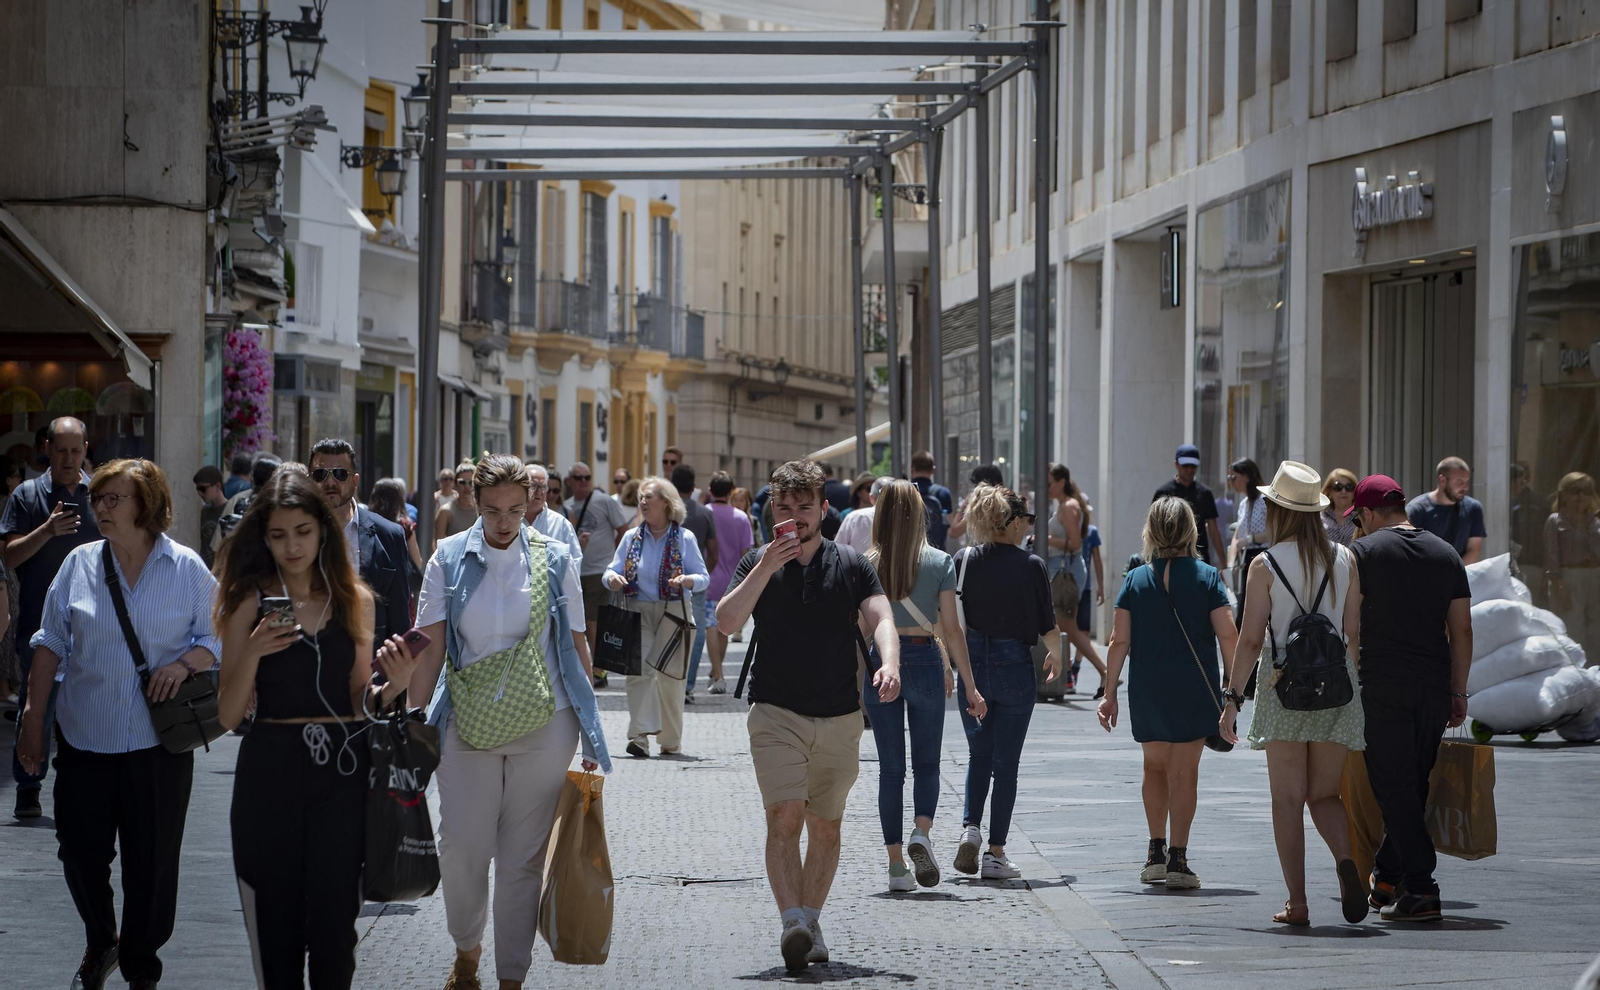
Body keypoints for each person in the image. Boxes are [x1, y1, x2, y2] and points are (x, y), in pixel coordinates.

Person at [406, 454, 610, 990]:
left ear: (532, 505)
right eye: (493, 509)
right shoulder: (447, 559)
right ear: (473, 500)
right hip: (466, 720)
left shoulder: (556, 556)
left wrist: (592, 729)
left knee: (522, 861)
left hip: (546, 722)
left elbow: (575, 644)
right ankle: (467, 950)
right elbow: (428, 651)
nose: (503, 522)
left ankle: (510, 979)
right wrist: (413, 729)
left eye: (516, 511)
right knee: (462, 850)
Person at [16, 459, 219, 990]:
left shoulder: (187, 569)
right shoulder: (78, 565)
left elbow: (217, 639)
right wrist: (32, 720)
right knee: (80, 855)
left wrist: (183, 664)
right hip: (85, 741)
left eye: (113, 499)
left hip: (159, 747)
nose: (99, 508)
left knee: (151, 867)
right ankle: (102, 937)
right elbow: (49, 643)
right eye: (98, 499)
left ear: (147, 506)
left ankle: (140, 967)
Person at [213, 471, 414, 988]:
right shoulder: (246, 601)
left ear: (323, 530)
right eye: (278, 535)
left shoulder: (355, 600)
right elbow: (229, 715)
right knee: (276, 937)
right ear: (263, 537)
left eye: (302, 531)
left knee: (334, 933)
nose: (292, 545)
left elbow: (358, 700)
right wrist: (253, 652)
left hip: (341, 780)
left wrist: (394, 685)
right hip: (269, 771)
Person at [715, 460, 899, 972]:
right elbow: (727, 620)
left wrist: (889, 663)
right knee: (784, 816)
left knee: (825, 826)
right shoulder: (757, 560)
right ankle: (792, 920)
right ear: (773, 509)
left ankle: (810, 920)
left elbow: (881, 616)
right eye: (784, 507)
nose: (794, 518)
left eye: (804, 508)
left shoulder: (850, 562)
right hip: (775, 710)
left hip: (840, 714)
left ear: (823, 508)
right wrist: (767, 567)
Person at [1219, 461, 1366, 927]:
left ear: (1279, 511)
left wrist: (1231, 698)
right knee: (1325, 795)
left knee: (1287, 799)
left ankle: (1298, 903)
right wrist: (1350, 679)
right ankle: (1346, 861)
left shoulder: (1264, 564)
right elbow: (1353, 633)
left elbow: (1248, 638)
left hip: (1282, 684)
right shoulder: (1346, 559)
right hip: (1337, 685)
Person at [1341, 473, 1472, 923]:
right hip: (1434, 687)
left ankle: (1421, 887)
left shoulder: (1361, 553)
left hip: (1382, 686)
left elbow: (1350, 628)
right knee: (1411, 786)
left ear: (1371, 513)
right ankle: (1387, 875)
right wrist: (1458, 690)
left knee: (1394, 788)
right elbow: (1462, 630)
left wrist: (1353, 684)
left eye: (1359, 516)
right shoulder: (1447, 553)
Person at [1097, 498, 1237, 890]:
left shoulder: (1135, 579)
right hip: (1194, 686)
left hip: (1149, 686)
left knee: (1153, 767)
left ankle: (1154, 853)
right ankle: (1178, 859)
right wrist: (1233, 692)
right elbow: (1229, 635)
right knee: (1184, 772)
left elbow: (1117, 640)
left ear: (1151, 531)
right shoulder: (1208, 577)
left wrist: (1109, 693)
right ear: (1191, 530)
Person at [861, 480, 986, 892]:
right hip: (926, 661)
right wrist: (970, 685)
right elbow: (952, 630)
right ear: (920, 516)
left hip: (883, 664)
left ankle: (897, 867)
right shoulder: (939, 562)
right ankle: (922, 834)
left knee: (890, 769)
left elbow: (862, 629)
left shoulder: (867, 563)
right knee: (927, 764)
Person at [949, 483, 1062, 882]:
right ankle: (996, 853)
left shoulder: (963, 559)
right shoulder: (1030, 565)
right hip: (1014, 664)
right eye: (1027, 520)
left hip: (973, 666)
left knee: (979, 752)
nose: (1028, 527)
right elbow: (1048, 625)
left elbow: (949, 620)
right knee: (1006, 764)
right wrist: (1057, 654)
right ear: (1012, 523)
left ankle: (970, 829)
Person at [2, 416, 101, 818]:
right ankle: (29, 783)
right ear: (47, 447)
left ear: (86, 448)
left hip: (94, 625)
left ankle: (80, 785)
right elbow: (9, 556)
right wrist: (46, 530)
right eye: (61, 450)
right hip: (39, 625)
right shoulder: (27, 495)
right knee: (35, 707)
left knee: (88, 709)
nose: (69, 458)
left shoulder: (101, 495)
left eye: (76, 451)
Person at [603, 478, 710, 756]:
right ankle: (639, 736)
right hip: (637, 609)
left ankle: (670, 740)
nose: (643, 502)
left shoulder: (684, 538)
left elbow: (703, 578)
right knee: (638, 674)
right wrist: (612, 578)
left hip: (673, 613)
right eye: (641, 498)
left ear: (667, 502)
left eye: (649, 497)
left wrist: (687, 580)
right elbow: (610, 570)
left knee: (670, 678)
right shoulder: (631, 537)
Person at [309, 438, 412, 649]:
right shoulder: (295, 534)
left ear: (355, 482)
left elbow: (399, 621)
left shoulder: (389, 535)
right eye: (320, 474)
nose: (330, 483)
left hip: (370, 672)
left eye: (339, 474)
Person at [564, 461, 632, 686]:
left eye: (587, 477)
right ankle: (587, 667)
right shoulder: (567, 506)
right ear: (570, 481)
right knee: (578, 623)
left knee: (594, 623)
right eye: (578, 477)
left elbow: (622, 529)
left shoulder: (603, 501)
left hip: (597, 570)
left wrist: (614, 559)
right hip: (574, 572)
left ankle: (599, 670)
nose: (583, 482)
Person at [1045, 465, 1109, 697]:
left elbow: (1075, 544)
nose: (1046, 488)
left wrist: (1046, 538)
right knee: (1066, 627)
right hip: (1064, 572)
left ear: (1061, 482)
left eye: (1049, 483)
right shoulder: (1067, 505)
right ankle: (1100, 672)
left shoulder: (1070, 507)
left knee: (1067, 627)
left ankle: (1103, 672)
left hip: (1066, 573)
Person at [672, 465, 720, 702]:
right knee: (696, 632)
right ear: (693, 487)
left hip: (668, 581)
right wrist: (703, 574)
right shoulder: (703, 513)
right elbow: (713, 553)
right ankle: (688, 684)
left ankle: (670, 681)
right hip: (694, 581)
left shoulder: (666, 512)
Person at [705, 471, 755, 692]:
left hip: (708, 576)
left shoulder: (704, 513)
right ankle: (718, 670)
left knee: (710, 625)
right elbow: (747, 552)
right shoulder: (741, 517)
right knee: (724, 627)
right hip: (732, 578)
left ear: (710, 491)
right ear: (731, 491)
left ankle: (718, 674)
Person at [1544, 472, 1600, 660]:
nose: (1581, 497)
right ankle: (1576, 672)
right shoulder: (1555, 520)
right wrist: (1559, 585)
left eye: (1586, 492)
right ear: (1564, 494)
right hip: (1569, 578)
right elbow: (1552, 556)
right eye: (1575, 491)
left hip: (1595, 576)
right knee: (1573, 629)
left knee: (1596, 629)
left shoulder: (1595, 521)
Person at [1154, 444, 1224, 567]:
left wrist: (1223, 564)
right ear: (1176, 464)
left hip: (1199, 558)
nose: (1189, 469)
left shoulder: (1205, 493)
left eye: (1193, 466)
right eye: (1185, 465)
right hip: (1169, 559)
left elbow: (1214, 530)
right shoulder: (1163, 492)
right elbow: (1154, 526)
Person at [1406, 456, 1486, 563]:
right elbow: (1406, 549)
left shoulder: (1473, 508)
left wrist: (1456, 575)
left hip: (1460, 574)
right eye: (1459, 482)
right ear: (1442, 479)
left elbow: (1474, 550)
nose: (1465, 487)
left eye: (1467, 482)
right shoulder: (1416, 510)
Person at [368, 477, 426, 606]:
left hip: (371, 586)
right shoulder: (405, 526)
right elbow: (418, 562)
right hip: (399, 589)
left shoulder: (367, 523)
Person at [523, 463, 582, 564]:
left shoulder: (561, 524)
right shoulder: (509, 521)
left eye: (543, 487)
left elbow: (574, 560)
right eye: (533, 486)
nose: (538, 492)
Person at [1071, 521, 1104, 688]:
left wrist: (1101, 587)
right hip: (1066, 586)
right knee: (1068, 630)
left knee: (1083, 630)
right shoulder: (1066, 528)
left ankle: (1074, 668)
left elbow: (1097, 559)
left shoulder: (1092, 531)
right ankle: (1066, 672)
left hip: (1086, 588)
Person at [1227, 458, 1269, 576]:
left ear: (1247, 477)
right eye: (1229, 478)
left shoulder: (1264, 500)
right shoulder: (1243, 504)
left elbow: (1274, 531)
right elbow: (1236, 537)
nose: (1231, 482)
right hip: (1246, 560)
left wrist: (1250, 539)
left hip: (1264, 557)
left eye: (1234, 477)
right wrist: (1230, 564)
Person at [947, 463, 1005, 544]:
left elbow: (954, 532)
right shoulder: (1005, 501)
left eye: (975, 485)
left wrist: (964, 506)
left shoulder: (982, 506)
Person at [909, 451, 954, 551]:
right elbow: (951, 527)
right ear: (933, 470)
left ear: (912, 469)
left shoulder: (904, 491)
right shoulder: (943, 493)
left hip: (908, 552)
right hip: (936, 552)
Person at [835, 476, 887, 554]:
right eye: (869, 488)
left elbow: (837, 549)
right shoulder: (850, 516)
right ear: (858, 492)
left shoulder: (853, 517)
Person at [435, 461, 480, 549]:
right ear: (455, 484)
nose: (467, 487)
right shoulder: (446, 511)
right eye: (462, 482)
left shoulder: (483, 510)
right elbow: (437, 545)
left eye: (471, 483)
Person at [193, 465, 229, 568]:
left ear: (218, 486)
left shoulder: (229, 509)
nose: (200, 493)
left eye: (203, 489)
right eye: (198, 489)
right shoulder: (204, 511)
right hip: (204, 569)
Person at [1321, 469, 1359, 546]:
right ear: (1330, 491)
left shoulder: (1361, 517)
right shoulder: (1319, 517)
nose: (1343, 491)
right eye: (1338, 487)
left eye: (1349, 487)